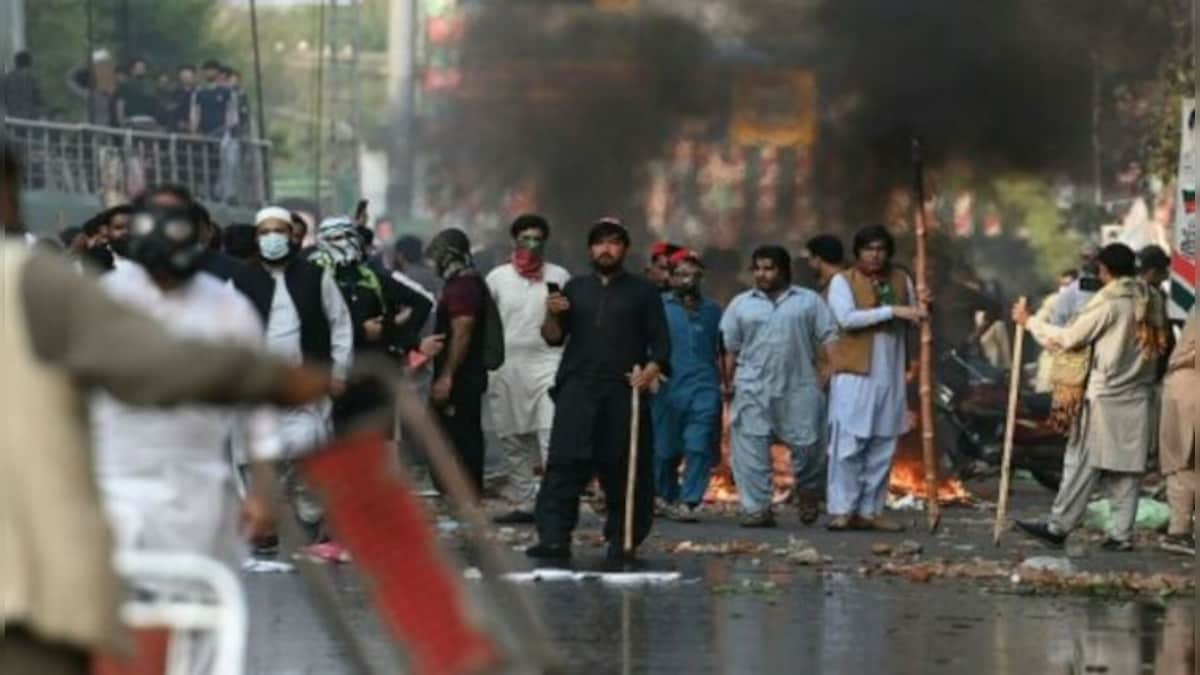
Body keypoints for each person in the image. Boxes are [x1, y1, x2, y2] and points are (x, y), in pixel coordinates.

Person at [0, 140, 330, 675]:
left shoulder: (226, 306)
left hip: (197, 490)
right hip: (109, 485)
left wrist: (264, 489)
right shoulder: (87, 293)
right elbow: (152, 368)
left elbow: (256, 419)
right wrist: (270, 377)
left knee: (196, 626)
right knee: (109, 622)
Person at [89, 202, 281, 573]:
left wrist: (261, 490)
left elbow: (259, 399)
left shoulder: (226, 301)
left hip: (199, 475)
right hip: (122, 473)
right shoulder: (105, 297)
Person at [527, 218, 670, 562]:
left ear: (624, 249)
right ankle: (554, 538)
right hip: (577, 387)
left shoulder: (643, 291)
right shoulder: (574, 288)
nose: (607, 249)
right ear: (590, 249)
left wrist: (650, 370)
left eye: (614, 243)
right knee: (563, 465)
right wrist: (552, 314)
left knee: (623, 467)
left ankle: (623, 539)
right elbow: (552, 337)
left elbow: (661, 343)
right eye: (600, 243)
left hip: (622, 389)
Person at [1013, 243, 1169, 551]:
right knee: (1126, 469)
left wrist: (1029, 322)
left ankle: (1058, 527)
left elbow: (1069, 338)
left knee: (1081, 463)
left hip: (1104, 398)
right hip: (1139, 396)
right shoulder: (1152, 298)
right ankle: (1121, 535)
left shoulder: (1111, 302)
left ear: (1104, 270)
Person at [233, 206, 354, 547]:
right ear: (256, 238)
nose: (272, 238)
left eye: (279, 231)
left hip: (306, 387)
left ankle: (311, 517)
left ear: (292, 236)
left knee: (310, 454)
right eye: (265, 232)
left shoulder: (316, 276)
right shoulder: (241, 281)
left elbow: (340, 325)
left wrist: (339, 372)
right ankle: (265, 527)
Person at [721, 245, 838, 527]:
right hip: (752, 386)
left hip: (800, 385)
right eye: (758, 268)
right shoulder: (741, 304)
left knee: (810, 446)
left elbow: (829, 337)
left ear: (784, 270)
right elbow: (729, 348)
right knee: (749, 447)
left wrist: (831, 373)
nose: (762, 274)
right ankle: (757, 508)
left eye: (769, 268)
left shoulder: (809, 301)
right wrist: (726, 382)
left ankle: (808, 490)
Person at [824, 225, 927, 532]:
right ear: (857, 252)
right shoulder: (842, 282)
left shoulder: (901, 278)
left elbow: (915, 316)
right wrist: (892, 311)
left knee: (883, 444)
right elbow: (846, 319)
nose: (875, 255)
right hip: (854, 376)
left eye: (881, 249)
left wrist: (922, 308)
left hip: (890, 375)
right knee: (849, 445)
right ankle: (842, 509)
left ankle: (870, 510)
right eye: (869, 249)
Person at [485, 214, 571, 524]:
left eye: (537, 239)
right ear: (515, 241)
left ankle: (554, 502)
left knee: (551, 435)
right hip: (505, 366)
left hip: (548, 363)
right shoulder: (497, 278)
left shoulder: (559, 276)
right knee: (511, 437)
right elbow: (486, 324)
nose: (531, 245)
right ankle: (524, 502)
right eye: (526, 239)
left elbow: (569, 324)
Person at [653, 248, 723, 522]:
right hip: (666, 387)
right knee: (665, 449)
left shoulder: (713, 311)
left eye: (693, 275)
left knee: (698, 443)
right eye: (681, 274)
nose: (687, 281)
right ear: (670, 277)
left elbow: (725, 348)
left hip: (704, 386)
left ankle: (691, 500)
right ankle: (666, 495)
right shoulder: (657, 307)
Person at [425, 228, 494, 494]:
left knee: (453, 435)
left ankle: (464, 493)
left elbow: (463, 331)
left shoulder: (463, 285)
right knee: (459, 433)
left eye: (437, 256)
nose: (433, 263)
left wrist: (447, 376)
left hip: (461, 376)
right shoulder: (463, 281)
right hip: (463, 375)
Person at [1158, 308, 1198, 555]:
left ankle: (1180, 530)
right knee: (1183, 464)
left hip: (1183, 389)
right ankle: (1179, 532)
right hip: (1190, 391)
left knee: (1184, 465)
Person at [1033, 269, 1080, 392]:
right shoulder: (1052, 300)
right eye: (1062, 285)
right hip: (1052, 354)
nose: (1064, 289)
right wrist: (1045, 341)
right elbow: (1038, 323)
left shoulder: (1085, 301)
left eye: (1068, 285)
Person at [190, 60, 235, 137]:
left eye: (213, 70)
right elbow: (195, 113)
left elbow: (231, 113)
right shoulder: (199, 93)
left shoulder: (227, 92)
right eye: (207, 70)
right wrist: (193, 131)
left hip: (222, 134)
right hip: (203, 133)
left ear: (218, 72)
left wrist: (227, 130)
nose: (210, 72)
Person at [114, 58, 159, 128]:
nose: (141, 69)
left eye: (143, 67)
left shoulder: (151, 86)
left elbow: (156, 104)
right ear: (132, 70)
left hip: (149, 121)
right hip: (131, 121)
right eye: (138, 67)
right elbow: (120, 104)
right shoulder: (125, 86)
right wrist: (121, 121)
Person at [1, 50, 44, 119]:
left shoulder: (7, 79)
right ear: (29, 65)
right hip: (24, 118)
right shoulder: (32, 80)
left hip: (14, 117)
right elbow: (39, 99)